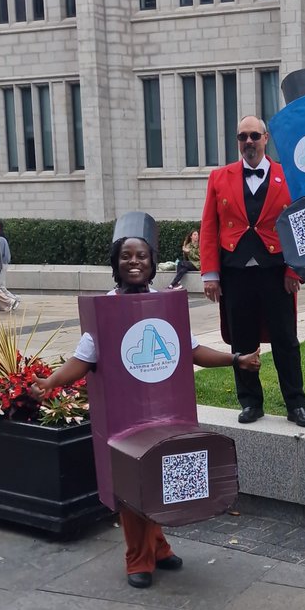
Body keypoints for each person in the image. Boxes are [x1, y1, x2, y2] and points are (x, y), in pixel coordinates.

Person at [30, 230, 261, 587]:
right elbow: (83, 359)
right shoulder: (105, 309)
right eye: (126, 256)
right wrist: (52, 382)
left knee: (162, 479)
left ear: (153, 263)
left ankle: (159, 546)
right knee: (132, 483)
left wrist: (235, 359)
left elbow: (192, 350)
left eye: (141, 256)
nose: (133, 262)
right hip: (125, 418)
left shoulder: (165, 305)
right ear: (115, 264)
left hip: (167, 412)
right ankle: (137, 558)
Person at [199, 113, 305, 428]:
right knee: (241, 341)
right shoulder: (219, 177)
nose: (248, 142)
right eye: (242, 137)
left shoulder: (287, 176)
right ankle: (251, 403)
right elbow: (209, 227)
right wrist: (211, 274)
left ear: (265, 139)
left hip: (275, 273)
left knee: (286, 341)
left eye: (254, 136)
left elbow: (300, 225)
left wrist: (295, 271)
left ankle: (296, 404)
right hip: (235, 273)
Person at [0, 220, 20, 311]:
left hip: (0, 265)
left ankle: (14, 299)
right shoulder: (0, 239)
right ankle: (3, 303)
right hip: (1, 264)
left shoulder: (0, 239)